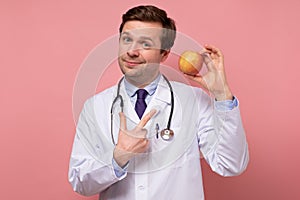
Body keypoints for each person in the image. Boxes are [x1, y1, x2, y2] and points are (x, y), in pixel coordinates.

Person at [68, 5, 249, 200]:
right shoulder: (95, 107)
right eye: (127, 40)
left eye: (145, 44)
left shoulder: (194, 101)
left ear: (164, 54)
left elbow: (230, 164)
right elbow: (80, 182)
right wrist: (118, 157)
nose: (132, 52)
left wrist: (222, 96)